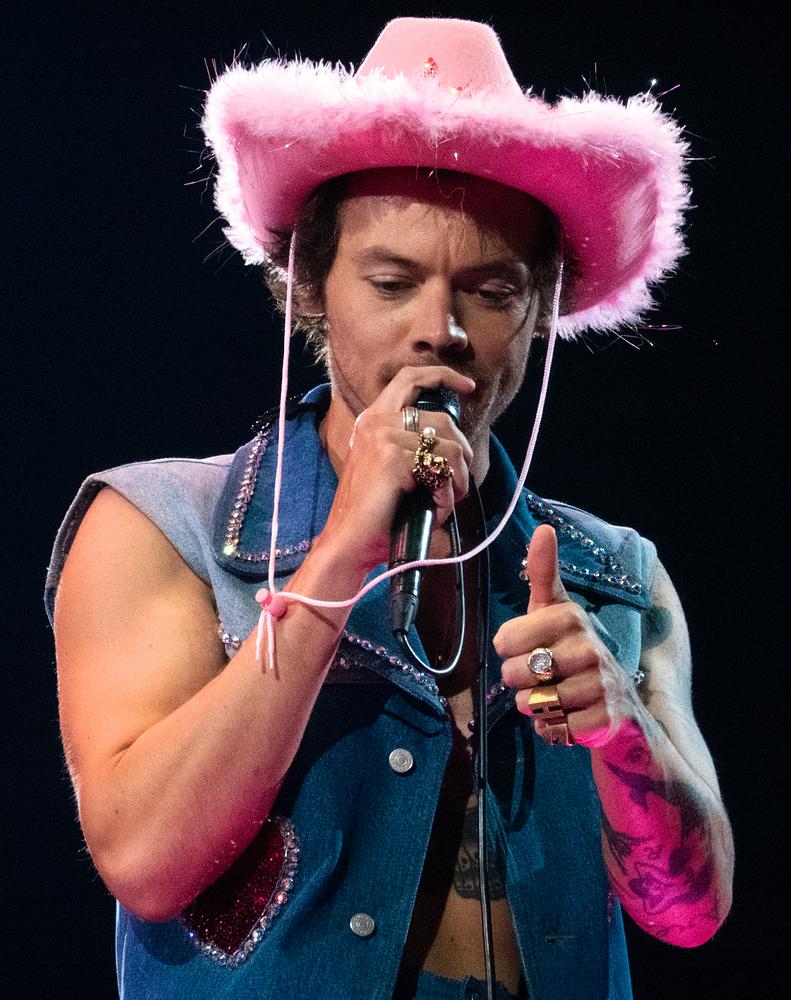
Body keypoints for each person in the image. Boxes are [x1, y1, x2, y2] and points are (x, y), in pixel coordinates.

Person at [45, 17, 733, 1000]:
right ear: (309, 288)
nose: (439, 330)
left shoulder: (614, 575)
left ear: (539, 310)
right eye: (391, 281)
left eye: (490, 290)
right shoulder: (164, 526)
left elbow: (689, 914)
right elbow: (145, 859)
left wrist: (620, 726)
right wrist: (337, 556)